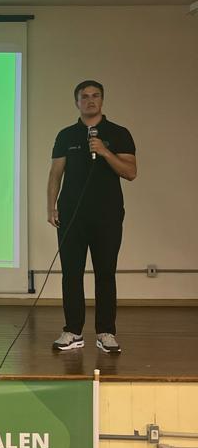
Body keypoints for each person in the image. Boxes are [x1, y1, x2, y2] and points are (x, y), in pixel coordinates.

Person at [47, 80, 137, 354]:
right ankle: (73, 331)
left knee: (105, 273)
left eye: (95, 95)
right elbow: (55, 174)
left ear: (102, 100)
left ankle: (106, 332)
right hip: (72, 215)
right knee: (71, 274)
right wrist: (51, 206)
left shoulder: (119, 133)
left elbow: (130, 172)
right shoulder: (66, 135)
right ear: (77, 102)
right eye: (84, 96)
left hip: (108, 215)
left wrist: (105, 151)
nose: (90, 100)